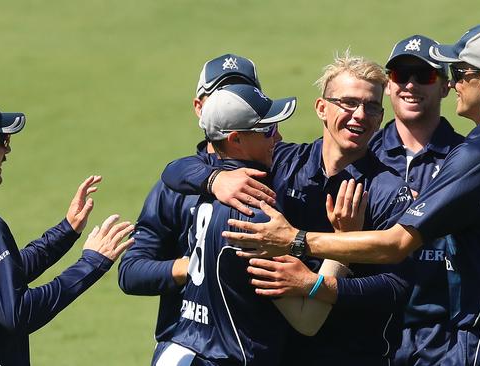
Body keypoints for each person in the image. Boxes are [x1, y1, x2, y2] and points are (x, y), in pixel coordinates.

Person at [222, 24, 480, 365]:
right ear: (321, 108)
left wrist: (295, 241)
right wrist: (213, 181)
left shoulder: (476, 155)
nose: (456, 82)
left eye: (458, 73)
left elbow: (397, 244)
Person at [161, 52, 414, 365]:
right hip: (283, 352)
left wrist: (317, 285)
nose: (360, 114)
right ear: (322, 108)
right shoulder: (280, 162)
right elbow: (176, 169)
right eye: (348, 103)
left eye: (372, 107)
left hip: (354, 355)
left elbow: (396, 288)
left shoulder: (389, 190)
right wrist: (215, 179)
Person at [0, 92, 134, 365]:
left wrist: (66, 231)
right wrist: (91, 264)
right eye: (2, 140)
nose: (7, 151)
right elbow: (19, 313)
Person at [116, 53, 271, 363]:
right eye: (221, 96)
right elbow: (131, 271)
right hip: (190, 347)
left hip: (256, 349)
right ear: (200, 107)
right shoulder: (174, 186)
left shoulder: (276, 167)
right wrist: (193, 267)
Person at [153, 84, 300, 365]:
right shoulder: (256, 216)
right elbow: (308, 320)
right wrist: (338, 245)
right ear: (236, 140)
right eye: (267, 130)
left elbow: (173, 168)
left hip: (182, 350)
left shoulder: (204, 195)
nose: (278, 136)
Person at [371, 35, 464, 365]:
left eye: (423, 76)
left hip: (443, 341)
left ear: (445, 87)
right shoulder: (363, 156)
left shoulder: (467, 159)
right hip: (369, 336)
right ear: (387, 85)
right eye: (400, 75)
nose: (410, 85)